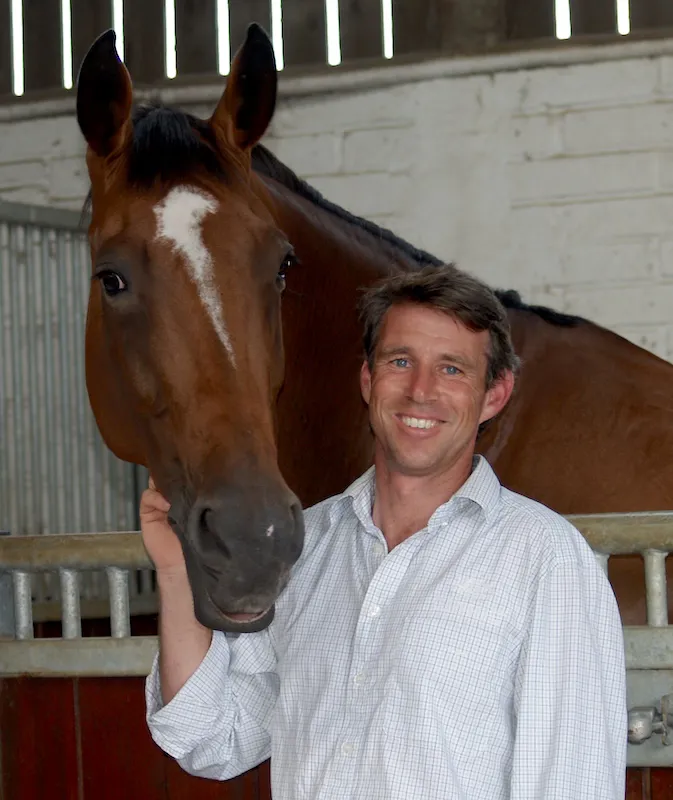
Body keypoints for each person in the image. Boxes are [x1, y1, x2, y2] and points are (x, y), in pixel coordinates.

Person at [143, 264, 626, 799]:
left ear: (494, 394)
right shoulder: (307, 545)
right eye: (400, 361)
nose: (421, 391)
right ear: (368, 380)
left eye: (452, 369)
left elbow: (573, 782)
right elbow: (212, 739)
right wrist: (176, 571)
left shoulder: (545, 557)